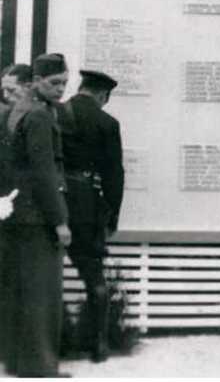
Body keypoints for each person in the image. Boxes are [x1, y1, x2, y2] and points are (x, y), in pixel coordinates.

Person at [3, 53, 71, 377]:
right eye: (54, 83)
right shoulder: (41, 117)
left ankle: (20, 363)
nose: (60, 90)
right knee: (43, 295)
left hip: (19, 215)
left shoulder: (19, 110)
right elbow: (45, 173)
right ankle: (41, 368)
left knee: (23, 293)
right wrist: (59, 221)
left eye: (64, 84)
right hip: (40, 218)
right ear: (37, 81)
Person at [58, 69, 124, 363]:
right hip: (86, 204)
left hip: (54, 200)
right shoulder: (107, 123)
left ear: (81, 87)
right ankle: (99, 346)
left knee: (47, 272)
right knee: (93, 275)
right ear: (102, 94)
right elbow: (114, 175)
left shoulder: (56, 112)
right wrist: (112, 216)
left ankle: (53, 341)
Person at [0, 64, 34, 367]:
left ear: (27, 86)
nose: (5, 95)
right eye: (4, 89)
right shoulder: (3, 116)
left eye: (11, 89)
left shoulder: (33, 116)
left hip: (19, 212)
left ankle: (12, 353)